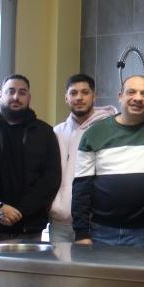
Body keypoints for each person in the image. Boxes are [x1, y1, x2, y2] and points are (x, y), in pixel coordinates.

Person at [72, 75, 144, 246]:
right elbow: (81, 187)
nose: (138, 98)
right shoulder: (94, 133)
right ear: (120, 96)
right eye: (131, 92)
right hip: (101, 232)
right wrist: (81, 233)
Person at [0, 74, 61, 239]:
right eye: (11, 91)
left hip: (30, 227)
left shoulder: (44, 132)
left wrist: (21, 211)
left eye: (22, 93)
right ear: (0, 95)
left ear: (29, 98)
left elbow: (50, 178)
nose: (16, 97)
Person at [48, 74, 116, 243]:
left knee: (93, 269)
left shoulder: (109, 129)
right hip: (59, 223)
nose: (79, 97)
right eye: (73, 93)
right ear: (66, 98)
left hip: (95, 224)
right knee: (60, 270)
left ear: (94, 96)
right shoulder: (57, 132)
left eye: (85, 92)